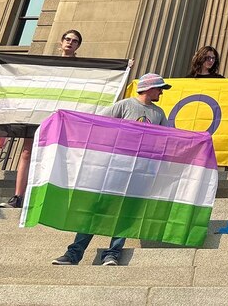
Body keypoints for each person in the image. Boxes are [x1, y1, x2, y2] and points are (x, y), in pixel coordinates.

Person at [52, 73, 171, 266]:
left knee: (124, 212)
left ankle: (112, 253)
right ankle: (74, 254)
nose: (161, 93)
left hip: (139, 170)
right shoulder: (125, 105)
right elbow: (98, 123)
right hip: (114, 166)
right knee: (96, 209)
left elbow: (168, 138)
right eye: (159, 89)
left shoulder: (159, 114)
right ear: (149, 88)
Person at [0, 29, 84, 209]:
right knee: (26, 152)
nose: (70, 42)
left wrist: (126, 66)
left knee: (57, 155)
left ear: (77, 46)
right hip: (38, 112)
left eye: (74, 41)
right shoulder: (44, 64)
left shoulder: (81, 67)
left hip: (61, 117)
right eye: (67, 39)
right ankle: (18, 197)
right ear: (61, 42)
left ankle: (50, 199)